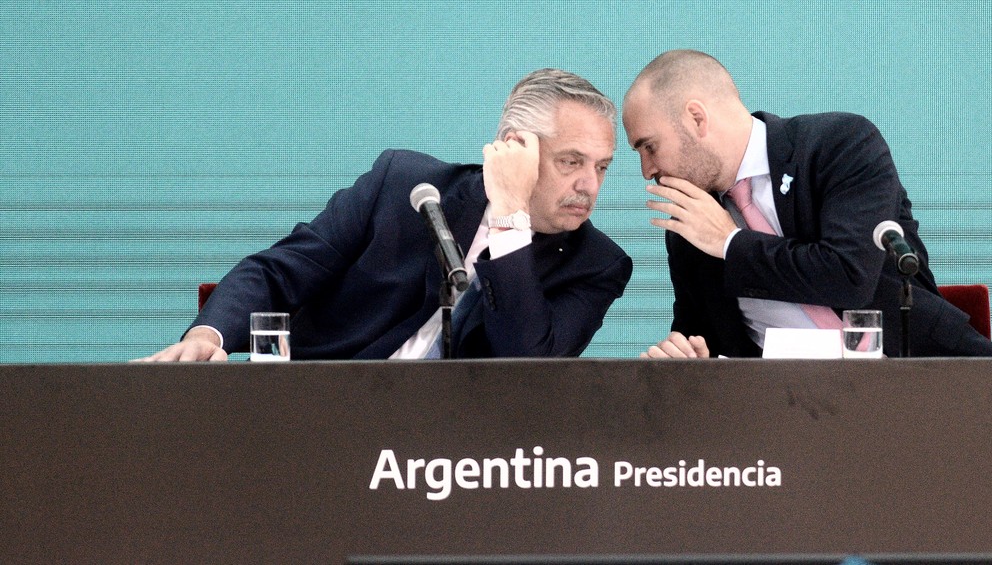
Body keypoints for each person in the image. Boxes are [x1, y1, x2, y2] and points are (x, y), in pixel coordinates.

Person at [141, 68, 632, 361]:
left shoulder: (597, 265)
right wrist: (207, 335)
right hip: (324, 412)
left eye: (602, 166)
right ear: (513, 147)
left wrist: (509, 218)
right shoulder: (405, 186)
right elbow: (278, 273)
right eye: (571, 162)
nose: (589, 185)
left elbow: (526, 368)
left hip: (454, 461)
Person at [622, 50, 992, 358]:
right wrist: (687, 355)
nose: (646, 171)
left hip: (916, 379)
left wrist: (730, 243)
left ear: (696, 118)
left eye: (649, 147)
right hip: (784, 410)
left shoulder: (838, 144)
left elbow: (850, 275)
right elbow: (700, 334)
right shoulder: (689, 223)